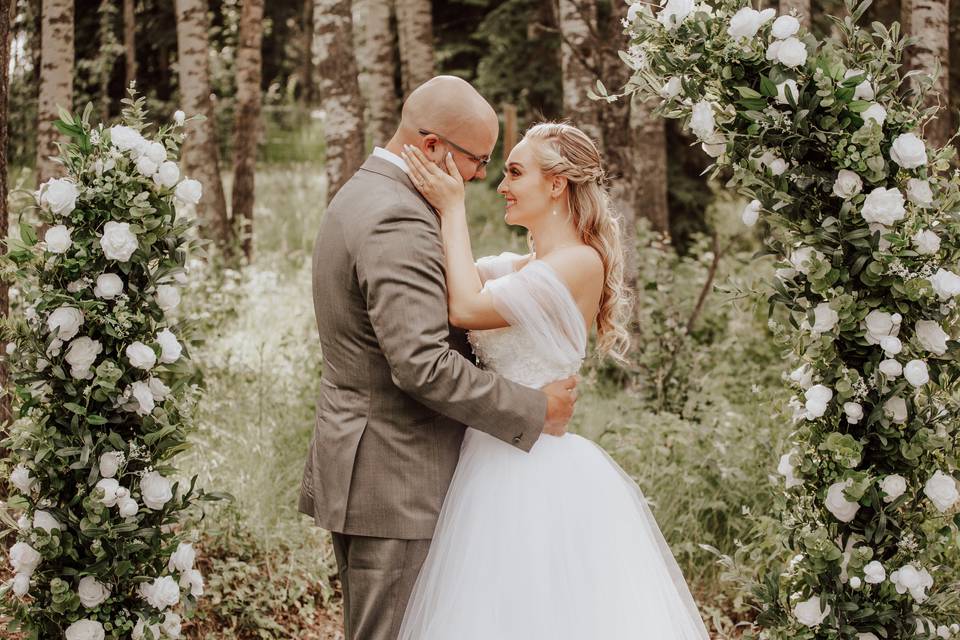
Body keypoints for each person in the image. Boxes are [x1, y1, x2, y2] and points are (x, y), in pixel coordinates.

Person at [395, 122, 711, 639]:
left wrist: (454, 208)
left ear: (557, 184)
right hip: (489, 453)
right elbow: (459, 279)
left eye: (515, 172)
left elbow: (467, 306)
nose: (502, 185)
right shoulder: (522, 266)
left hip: (533, 468)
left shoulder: (580, 262)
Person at [296, 76, 579, 640]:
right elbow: (421, 363)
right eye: (477, 159)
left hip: (375, 469)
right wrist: (534, 408)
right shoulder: (396, 217)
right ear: (431, 147)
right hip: (397, 477)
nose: (480, 176)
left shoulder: (367, 191)